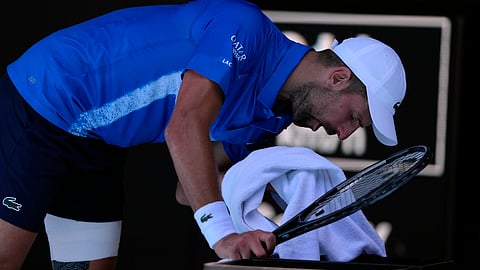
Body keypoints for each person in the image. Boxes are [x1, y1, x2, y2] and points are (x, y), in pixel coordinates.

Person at [0, 0, 407, 269]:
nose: (343, 133)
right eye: (354, 116)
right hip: (44, 99)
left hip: (100, 146)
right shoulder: (245, 28)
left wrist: (252, 207)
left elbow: (186, 189)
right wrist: (223, 235)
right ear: (337, 78)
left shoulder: (270, 121)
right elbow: (183, 127)